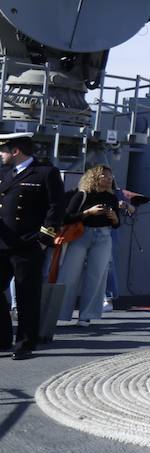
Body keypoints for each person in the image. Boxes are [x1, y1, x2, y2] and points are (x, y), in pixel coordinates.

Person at [0, 134, 65, 359]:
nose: (1, 155)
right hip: (3, 242)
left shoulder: (45, 173)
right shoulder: (4, 173)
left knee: (27, 296)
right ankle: (2, 337)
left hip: (28, 244)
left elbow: (56, 208)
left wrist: (43, 239)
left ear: (16, 151)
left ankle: (25, 343)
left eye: (4, 150)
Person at [55, 165, 122, 328]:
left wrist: (114, 217)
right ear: (95, 178)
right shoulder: (82, 195)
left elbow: (117, 225)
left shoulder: (112, 198)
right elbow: (66, 218)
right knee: (69, 274)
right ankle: (59, 313)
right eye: (105, 176)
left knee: (97, 275)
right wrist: (88, 212)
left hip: (104, 236)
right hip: (81, 235)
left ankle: (86, 316)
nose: (109, 179)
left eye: (110, 176)